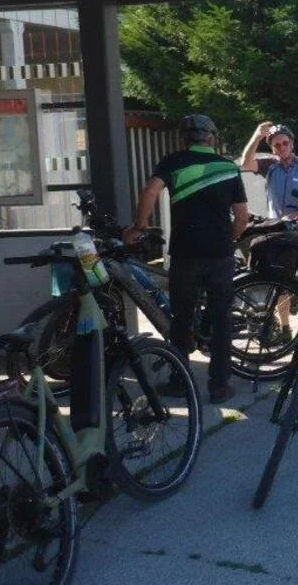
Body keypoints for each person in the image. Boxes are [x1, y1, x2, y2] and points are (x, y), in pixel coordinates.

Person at [125, 114, 250, 404]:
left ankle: (180, 381)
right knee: (220, 319)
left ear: (185, 137)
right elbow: (242, 217)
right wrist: (228, 239)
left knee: (182, 318)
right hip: (219, 253)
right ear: (212, 137)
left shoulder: (172, 162)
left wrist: (139, 226)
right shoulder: (228, 167)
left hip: (186, 253)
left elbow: (150, 191)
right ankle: (219, 385)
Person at [239, 122, 298, 219]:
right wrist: (257, 137)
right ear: (272, 149)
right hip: (275, 227)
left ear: (292, 144)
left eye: (285, 143)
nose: (282, 147)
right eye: (277, 145)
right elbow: (245, 163)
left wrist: (297, 214)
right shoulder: (269, 165)